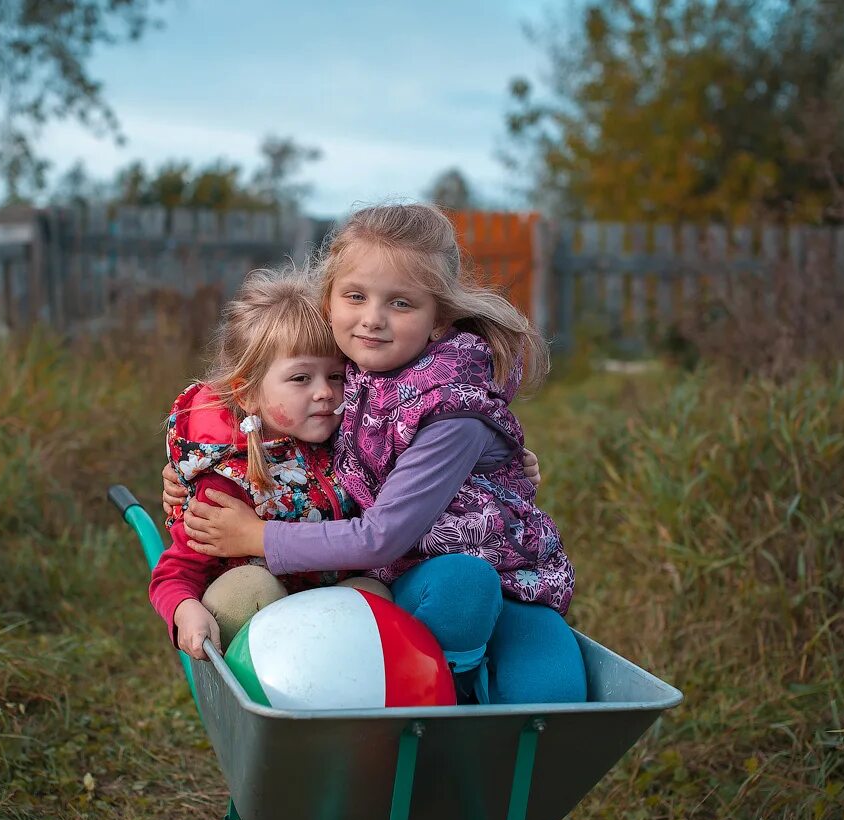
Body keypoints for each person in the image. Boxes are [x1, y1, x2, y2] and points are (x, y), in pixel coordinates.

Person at [182, 202, 587, 705]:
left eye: (401, 304)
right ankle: (438, 695)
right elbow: (256, 403)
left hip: (498, 579)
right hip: (409, 582)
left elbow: (381, 538)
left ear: (439, 318)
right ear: (329, 302)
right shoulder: (350, 371)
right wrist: (191, 472)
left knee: (553, 697)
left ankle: (455, 693)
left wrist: (258, 535)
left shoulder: (451, 408)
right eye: (355, 296)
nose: (372, 319)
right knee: (464, 590)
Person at [149, 267, 391, 662]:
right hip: (259, 629)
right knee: (247, 587)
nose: (325, 393)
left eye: (336, 375)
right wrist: (184, 609)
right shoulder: (228, 479)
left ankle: (349, 698)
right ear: (247, 393)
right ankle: (272, 704)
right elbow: (177, 571)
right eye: (300, 378)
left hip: (331, 622)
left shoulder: (355, 445)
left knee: (374, 596)